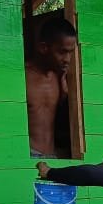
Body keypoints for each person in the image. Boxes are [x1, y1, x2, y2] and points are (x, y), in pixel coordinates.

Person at [25, 17, 78, 159]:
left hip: (53, 157)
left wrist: (65, 96)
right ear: (43, 47)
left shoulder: (63, 78)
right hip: (27, 156)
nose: (67, 59)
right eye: (62, 52)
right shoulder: (23, 77)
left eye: (70, 52)